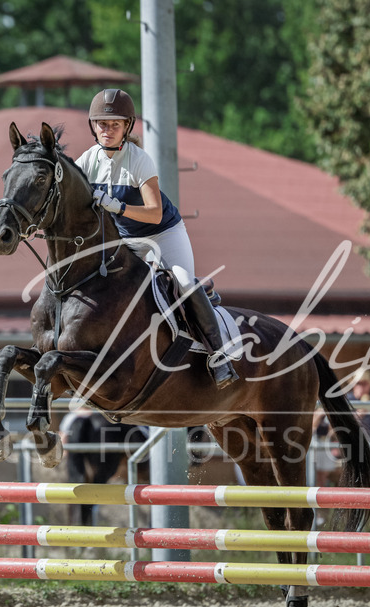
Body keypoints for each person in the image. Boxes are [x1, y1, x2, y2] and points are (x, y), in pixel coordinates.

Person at [75, 88, 239, 389]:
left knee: (184, 283)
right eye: (101, 123)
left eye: (114, 124)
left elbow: (153, 213)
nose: (107, 130)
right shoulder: (86, 161)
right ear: (92, 126)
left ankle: (219, 357)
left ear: (127, 127)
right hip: (125, 240)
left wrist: (119, 206)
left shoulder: (139, 160)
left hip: (163, 235)